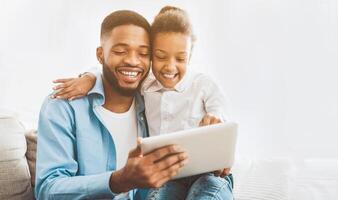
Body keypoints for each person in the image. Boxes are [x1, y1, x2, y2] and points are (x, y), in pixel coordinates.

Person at [51, 6, 234, 200]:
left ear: (190, 56)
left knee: (206, 193)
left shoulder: (203, 84)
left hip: (208, 173)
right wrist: (89, 77)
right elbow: (112, 72)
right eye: (161, 56)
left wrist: (216, 121)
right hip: (172, 176)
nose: (170, 66)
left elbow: (220, 113)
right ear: (152, 55)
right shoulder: (145, 85)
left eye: (180, 58)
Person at [35, 10, 188, 200]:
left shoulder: (154, 101)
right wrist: (118, 181)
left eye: (143, 53)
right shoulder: (62, 106)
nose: (132, 61)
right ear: (100, 54)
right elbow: (48, 189)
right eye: (120, 51)